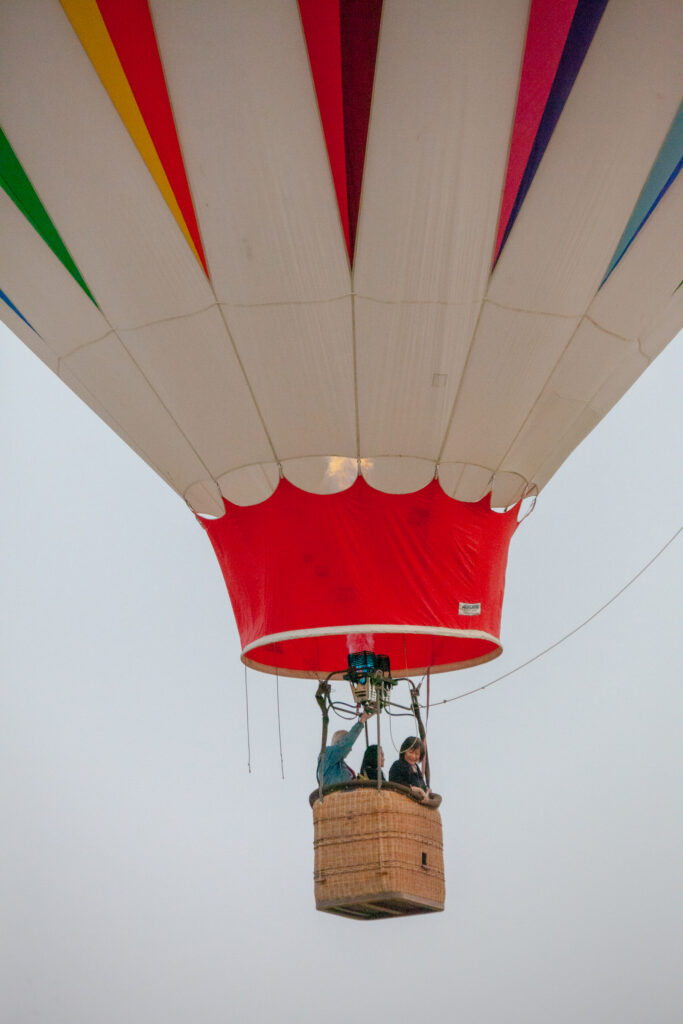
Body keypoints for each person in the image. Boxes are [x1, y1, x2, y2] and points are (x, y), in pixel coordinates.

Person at [317, 711, 374, 786]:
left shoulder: (339, 764)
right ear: (340, 742)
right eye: (350, 746)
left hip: (345, 796)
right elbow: (346, 743)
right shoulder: (327, 754)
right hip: (336, 796)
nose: (350, 749)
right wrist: (362, 721)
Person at [389, 736, 431, 800]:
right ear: (404, 751)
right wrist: (418, 790)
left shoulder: (416, 768)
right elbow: (395, 784)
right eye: (411, 752)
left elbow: (421, 784)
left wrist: (426, 791)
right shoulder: (397, 765)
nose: (413, 756)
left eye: (417, 754)